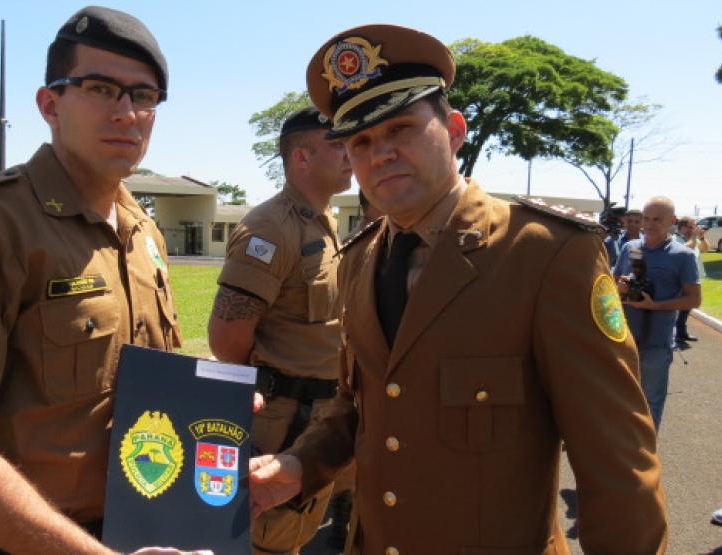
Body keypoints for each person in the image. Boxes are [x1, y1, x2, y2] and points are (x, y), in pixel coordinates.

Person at [249, 24, 667, 554]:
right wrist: (299, 465)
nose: (380, 154)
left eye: (400, 128)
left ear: (453, 130)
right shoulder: (357, 260)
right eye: (361, 141)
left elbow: (616, 457)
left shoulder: (545, 253)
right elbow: (358, 405)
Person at [0, 7, 207, 555]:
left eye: (143, 96)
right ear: (50, 104)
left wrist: (206, 408)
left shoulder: (142, 231)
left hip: (145, 529)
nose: (126, 113)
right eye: (100, 89)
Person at [208, 107, 351, 554]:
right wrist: (274, 380)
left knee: (300, 536)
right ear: (302, 157)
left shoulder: (323, 222)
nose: (351, 153)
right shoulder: (271, 227)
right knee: (267, 541)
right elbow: (227, 339)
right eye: (338, 144)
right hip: (284, 419)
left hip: (322, 415)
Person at [615, 198, 702, 431]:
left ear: (672, 221)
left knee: (651, 400)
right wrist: (620, 287)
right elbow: (612, 285)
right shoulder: (630, 248)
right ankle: (623, 446)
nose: (649, 225)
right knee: (621, 397)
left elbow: (694, 299)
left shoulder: (683, 255)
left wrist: (654, 305)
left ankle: (647, 448)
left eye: (657, 220)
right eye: (646, 218)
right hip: (624, 340)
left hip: (657, 342)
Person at [673, 215, 708, 343]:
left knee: (687, 306)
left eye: (694, 227)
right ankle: (675, 333)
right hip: (680, 279)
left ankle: (681, 332)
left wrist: (702, 238)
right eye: (690, 227)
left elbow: (705, 249)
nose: (693, 229)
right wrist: (694, 236)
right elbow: (687, 249)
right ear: (681, 228)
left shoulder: (693, 239)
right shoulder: (675, 239)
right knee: (680, 306)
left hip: (692, 277)